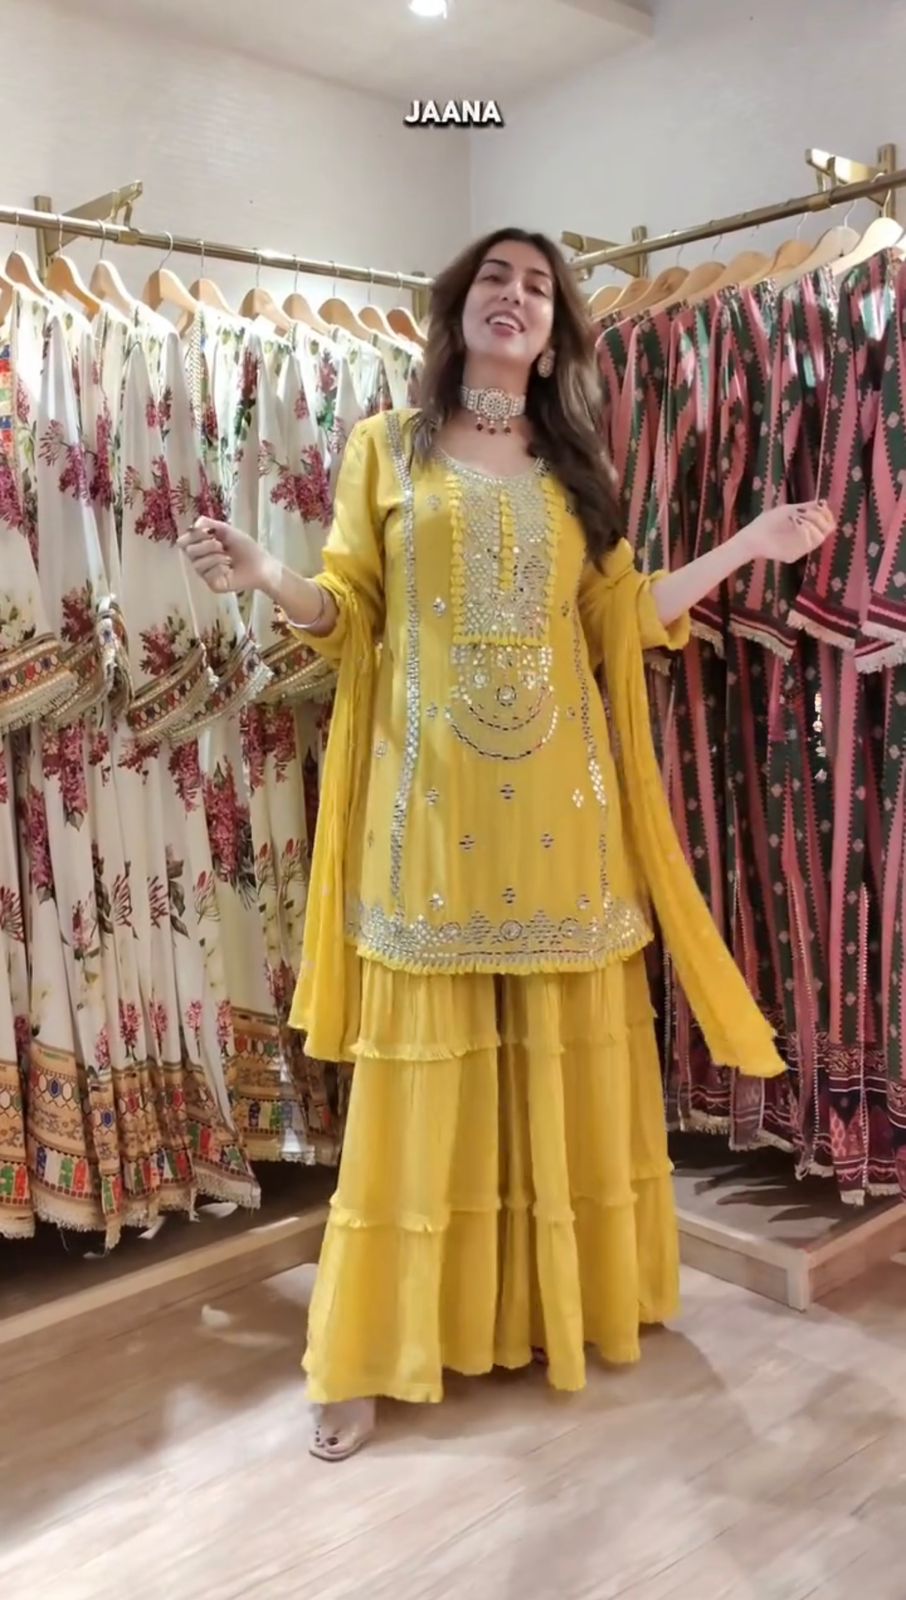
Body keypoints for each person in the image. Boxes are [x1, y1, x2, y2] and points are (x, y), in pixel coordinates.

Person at [179, 227, 833, 1461]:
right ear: (459, 308)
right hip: (428, 818)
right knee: (415, 1091)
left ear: (552, 336)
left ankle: (555, 1310)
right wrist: (267, 573)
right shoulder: (387, 447)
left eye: (538, 286)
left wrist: (749, 545)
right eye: (496, 277)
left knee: (560, 1067)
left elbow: (623, 617)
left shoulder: (576, 472)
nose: (516, 296)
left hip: (563, 819)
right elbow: (347, 613)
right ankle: (368, 1351)